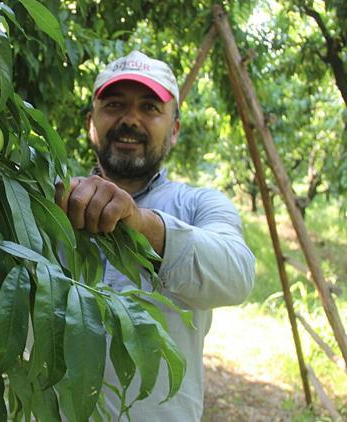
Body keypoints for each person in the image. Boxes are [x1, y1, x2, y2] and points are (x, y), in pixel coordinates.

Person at [54, 50, 256, 421]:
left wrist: (143, 224)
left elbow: (237, 275)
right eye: (114, 104)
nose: (130, 119)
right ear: (90, 123)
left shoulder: (200, 205)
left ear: (175, 129)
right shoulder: (48, 202)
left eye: (149, 107)